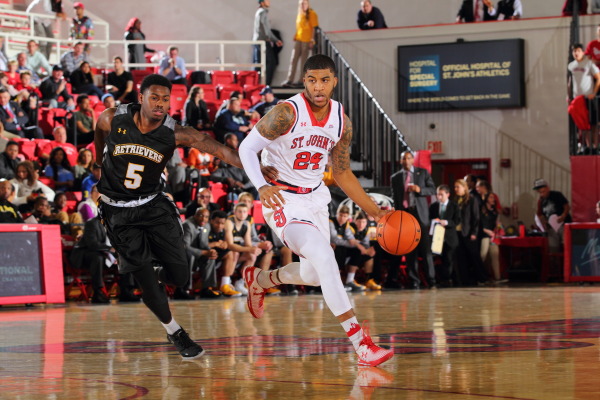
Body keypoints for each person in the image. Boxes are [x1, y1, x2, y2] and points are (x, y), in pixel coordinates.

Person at [94, 74, 276, 359]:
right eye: (154, 97)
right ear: (140, 97)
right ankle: (174, 330)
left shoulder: (176, 132)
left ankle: (155, 269)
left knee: (180, 277)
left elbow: (219, 150)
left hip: (153, 205)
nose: (160, 104)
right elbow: (99, 133)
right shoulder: (111, 118)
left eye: (165, 99)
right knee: (144, 278)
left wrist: (255, 170)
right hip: (117, 211)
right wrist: (99, 166)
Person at [238, 54, 394, 367]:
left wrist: (375, 211)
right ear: (304, 82)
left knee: (313, 273)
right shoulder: (286, 112)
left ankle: (261, 280)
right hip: (282, 198)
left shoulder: (341, 120)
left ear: (334, 81)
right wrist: (261, 186)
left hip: (316, 199)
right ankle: (361, 343)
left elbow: (342, 172)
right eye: (311, 80)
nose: (318, 87)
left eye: (324, 80)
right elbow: (247, 148)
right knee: (325, 259)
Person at [390, 151, 436, 289]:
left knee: (426, 250)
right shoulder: (395, 177)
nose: (406, 160)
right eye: (403, 158)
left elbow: (432, 189)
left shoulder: (422, 173)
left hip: (420, 213)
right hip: (405, 215)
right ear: (400, 160)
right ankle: (414, 280)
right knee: (410, 250)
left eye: (409, 158)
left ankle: (431, 280)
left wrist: (419, 189)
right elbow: (395, 198)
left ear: (413, 160)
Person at [182, 207, 221, 299]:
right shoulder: (187, 225)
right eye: (200, 215)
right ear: (195, 216)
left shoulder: (206, 225)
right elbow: (185, 247)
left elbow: (204, 243)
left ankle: (206, 288)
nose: (203, 219)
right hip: (184, 254)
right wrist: (204, 252)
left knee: (210, 257)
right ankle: (184, 289)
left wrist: (210, 251)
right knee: (189, 256)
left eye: (206, 217)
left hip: (197, 253)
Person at [454, 179, 487, 286]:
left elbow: (476, 217)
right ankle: (466, 279)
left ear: (464, 187)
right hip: (458, 232)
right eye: (454, 187)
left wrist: (474, 232)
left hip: (468, 232)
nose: (456, 189)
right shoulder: (455, 200)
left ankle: (482, 278)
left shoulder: (472, 199)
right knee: (461, 257)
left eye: (458, 187)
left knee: (474, 256)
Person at [568, 43, 600, 154]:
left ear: (582, 52)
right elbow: (570, 82)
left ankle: (595, 147)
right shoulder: (571, 66)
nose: (576, 53)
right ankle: (587, 146)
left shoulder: (589, 64)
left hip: (588, 98)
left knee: (594, 123)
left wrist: (594, 93)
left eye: (578, 51)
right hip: (578, 99)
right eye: (574, 51)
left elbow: (598, 78)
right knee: (583, 125)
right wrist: (569, 96)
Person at [429, 185, 460, 288]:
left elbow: (457, 220)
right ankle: (440, 279)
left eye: (441, 194)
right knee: (439, 259)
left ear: (448, 194)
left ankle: (448, 279)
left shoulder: (454, 206)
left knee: (449, 259)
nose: (439, 197)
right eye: (438, 194)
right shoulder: (433, 206)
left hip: (449, 237)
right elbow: (429, 219)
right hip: (437, 237)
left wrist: (446, 222)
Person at [282, 0, 318, 88]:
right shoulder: (300, 14)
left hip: (307, 40)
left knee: (303, 61)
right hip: (299, 39)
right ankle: (290, 79)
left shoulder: (312, 14)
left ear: (308, 4)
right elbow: (300, 28)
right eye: (301, 4)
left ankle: (301, 80)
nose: (303, 5)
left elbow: (314, 28)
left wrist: (312, 40)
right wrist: (296, 35)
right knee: (293, 59)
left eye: (305, 4)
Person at [330, 205, 364, 292]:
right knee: (339, 249)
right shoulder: (331, 221)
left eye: (344, 216)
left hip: (340, 247)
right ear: (336, 214)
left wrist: (358, 245)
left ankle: (349, 280)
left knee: (357, 251)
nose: (342, 218)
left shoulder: (346, 224)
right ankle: (336, 283)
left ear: (348, 217)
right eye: (340, 215)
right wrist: (350, 244)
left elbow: (351, 238)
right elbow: (335, 239)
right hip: (329, 247)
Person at [533, 178, 572, 253]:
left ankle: (566, 263)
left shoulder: (557, 195)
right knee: (553, 249)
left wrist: (563, 216)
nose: (542, 194)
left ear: (547, 188)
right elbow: (540, 214)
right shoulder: (541, 201)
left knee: (566, 246)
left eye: (543, 191)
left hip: (563, 224)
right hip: (551, 227)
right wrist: (543, 222)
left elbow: (566, 206)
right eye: (540, 192)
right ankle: (555, 263)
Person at [253, 0, 283, 86]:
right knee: (271, 62)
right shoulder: (262, 12)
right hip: (263, 41)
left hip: (259, 41)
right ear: (262, 2)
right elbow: (265, 29)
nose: (269, 1)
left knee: (259, 63)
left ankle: (258, 84)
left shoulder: (259, 12)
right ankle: (266, 85)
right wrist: (275, 40)